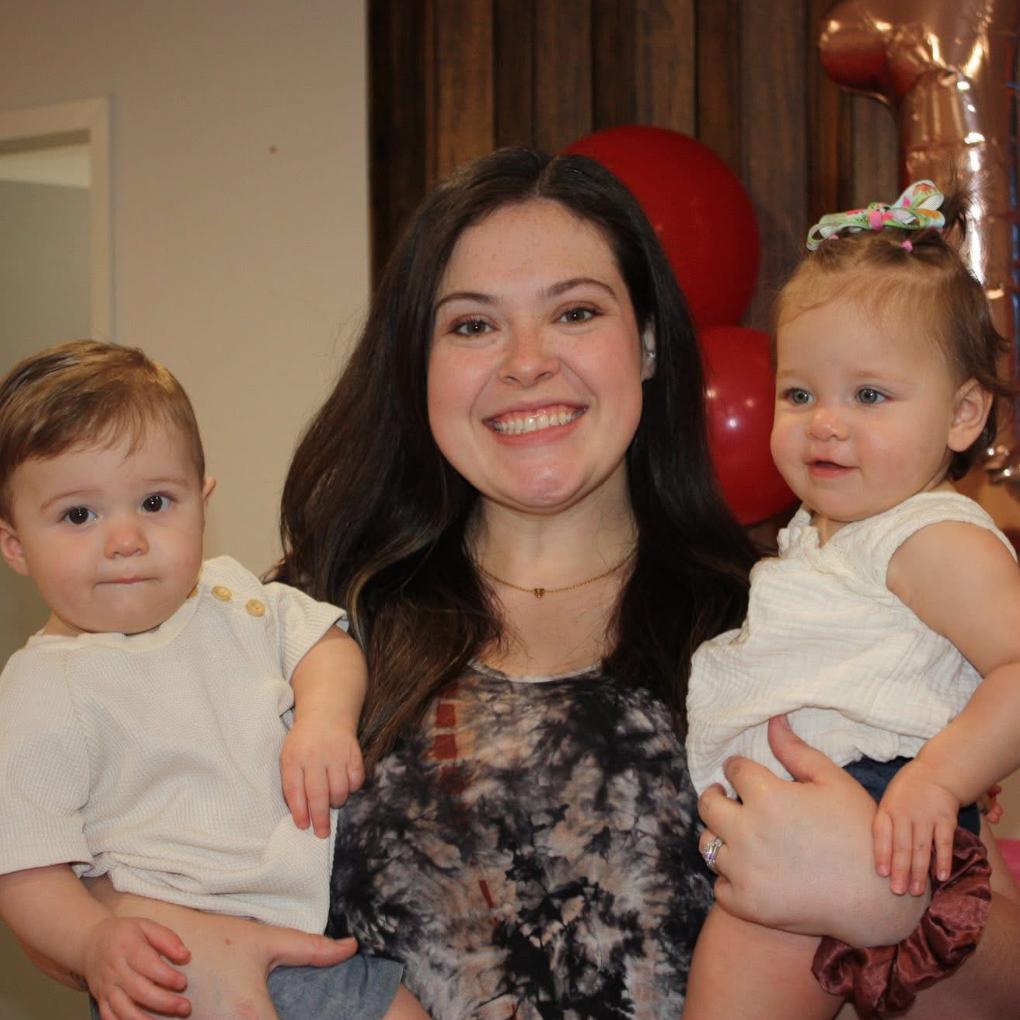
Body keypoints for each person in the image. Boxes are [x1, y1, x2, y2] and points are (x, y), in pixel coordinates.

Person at [16, 152, 1020, 1019]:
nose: (528, 364)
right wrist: (163, 942)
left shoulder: (795, 628)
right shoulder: (302, 627)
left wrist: (892, 906)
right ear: (417, 364)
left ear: (650, 342)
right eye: (472, 326)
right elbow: (71, 846)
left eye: (575, 312)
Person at [0, 341, 427, 1020]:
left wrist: (323, 719)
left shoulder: (231, 595)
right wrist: (93, 942)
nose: (125, 539)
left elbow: (324, 641)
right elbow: (23, 867)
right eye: (79, 515)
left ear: (202, 503)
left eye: (155, 502)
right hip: (176, 963)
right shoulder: (43, 689)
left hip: (308, 935)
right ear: (15, 544)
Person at [684, 181, 1020, 1019]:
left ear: (963, 413)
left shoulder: (929, 537)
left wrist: (938, 780)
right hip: (811, 815)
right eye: (799, 394)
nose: (825, 423)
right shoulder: (829, 530)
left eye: (869, 396)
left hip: (876, 809)